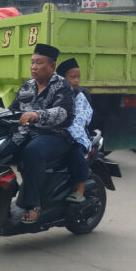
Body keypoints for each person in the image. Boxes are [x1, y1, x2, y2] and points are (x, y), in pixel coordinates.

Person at [4, 43, 76, 224]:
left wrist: (38, 115)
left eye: (39, 63)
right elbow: (13, 109)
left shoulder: (61, 85)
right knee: (0, 148)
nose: (33, 67)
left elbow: (64, 113)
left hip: (56, 135)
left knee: (32, 151)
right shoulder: (28, 85)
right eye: (32, 62)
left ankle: (34, 205)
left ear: (52, 66)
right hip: (27, 133)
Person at [56, 58, 93, 204]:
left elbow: (80, 119)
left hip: (76, 134)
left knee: (74, 150)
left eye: (78, 77)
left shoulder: (80, 95)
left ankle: (80, 189)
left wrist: (67, 132)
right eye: (72, 77)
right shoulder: (54, 92)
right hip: (53, 133)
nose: (76, 81)